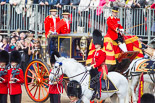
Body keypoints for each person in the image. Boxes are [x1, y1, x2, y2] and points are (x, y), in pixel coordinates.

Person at [90, 29, 108, 99]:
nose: (95, 44)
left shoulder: (102, 52)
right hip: (95, 68)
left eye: (97, 44)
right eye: (95, 43)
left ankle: (98, 93)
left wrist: (94, 65)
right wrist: (91, 65)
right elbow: (93, 60)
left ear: (100, 45)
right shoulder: (94, 52)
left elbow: (100, 61)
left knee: (98, 78)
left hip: (101, 68)